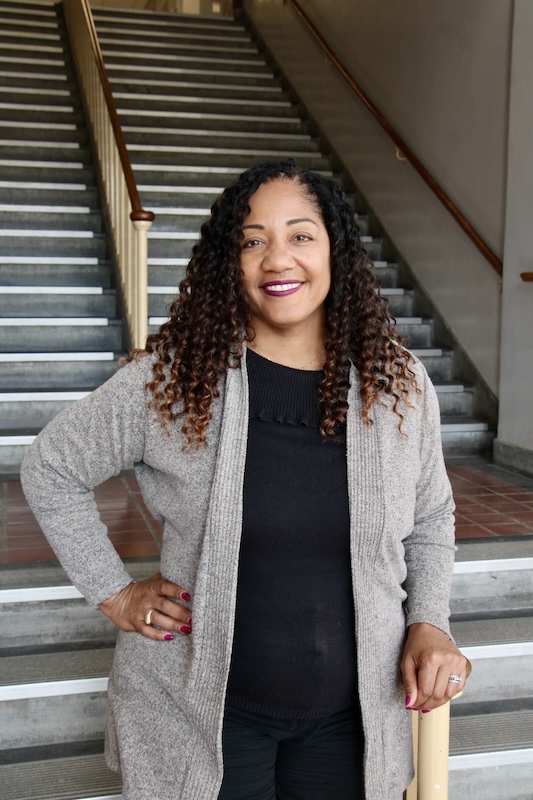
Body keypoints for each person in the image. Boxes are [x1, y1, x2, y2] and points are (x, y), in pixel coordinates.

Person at [21, 158, 470, 800]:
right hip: (204, 723)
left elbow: (430, 516)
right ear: (229, 262)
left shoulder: (397, 384)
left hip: (352, 721)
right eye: (253, 240)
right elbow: (52, 465)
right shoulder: (177, 379)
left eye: (300, 235)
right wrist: (114, 592)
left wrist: (429, 620)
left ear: (336, 250)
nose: (276, 259)